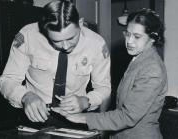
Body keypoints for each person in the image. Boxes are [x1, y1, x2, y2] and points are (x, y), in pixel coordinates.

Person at [54, 8, 168, 139]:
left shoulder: (152, 69)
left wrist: (82, 118)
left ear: (153, 38)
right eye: (127, 34)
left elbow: (128, 116)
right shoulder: (139, 60)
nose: (129, 41)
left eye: (137, 36)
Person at [0, 0, 111, 127]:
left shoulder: (96, 44)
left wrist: (86, 101)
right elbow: (8, 80)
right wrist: (25, 97)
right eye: (56, 41)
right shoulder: (28, 36)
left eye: (71, 38)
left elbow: (104, 88)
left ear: (80, 23)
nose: (65, 46)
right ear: (45, 30)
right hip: (33, 118)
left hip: (77, 119)